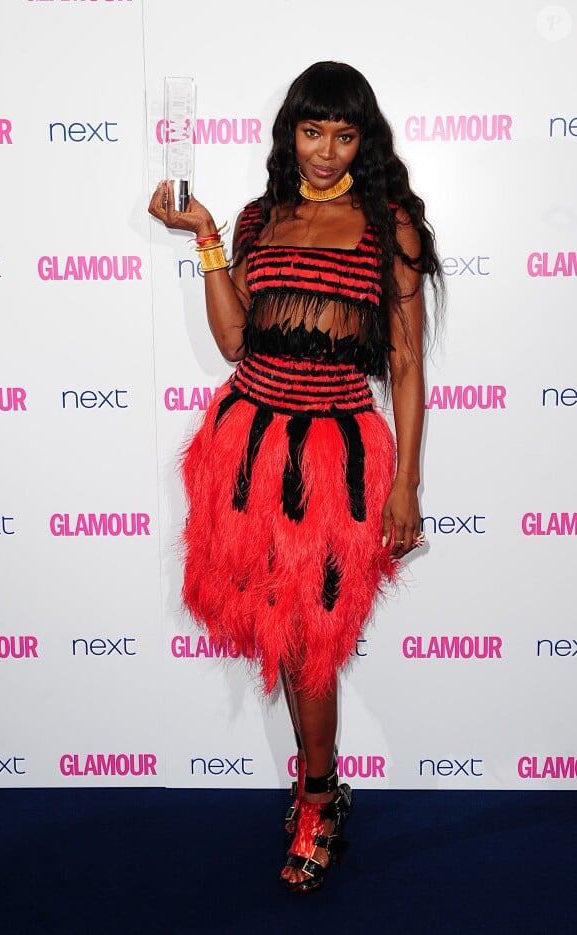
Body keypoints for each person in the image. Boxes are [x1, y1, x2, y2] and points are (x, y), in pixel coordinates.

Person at [149, 60, 443, 893]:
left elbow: (409, 364)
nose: (325, 150)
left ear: (364, 139)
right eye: (312, 131)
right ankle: (319, 783)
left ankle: (318, 796)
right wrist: (207, 236)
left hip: (338, 465)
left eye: (343, 134)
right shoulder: (259, 219)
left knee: (311, 645)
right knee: (280, 637)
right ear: (292, 133)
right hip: (245, 451)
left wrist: (408, 483)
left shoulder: (391, 229)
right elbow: (237, 342)